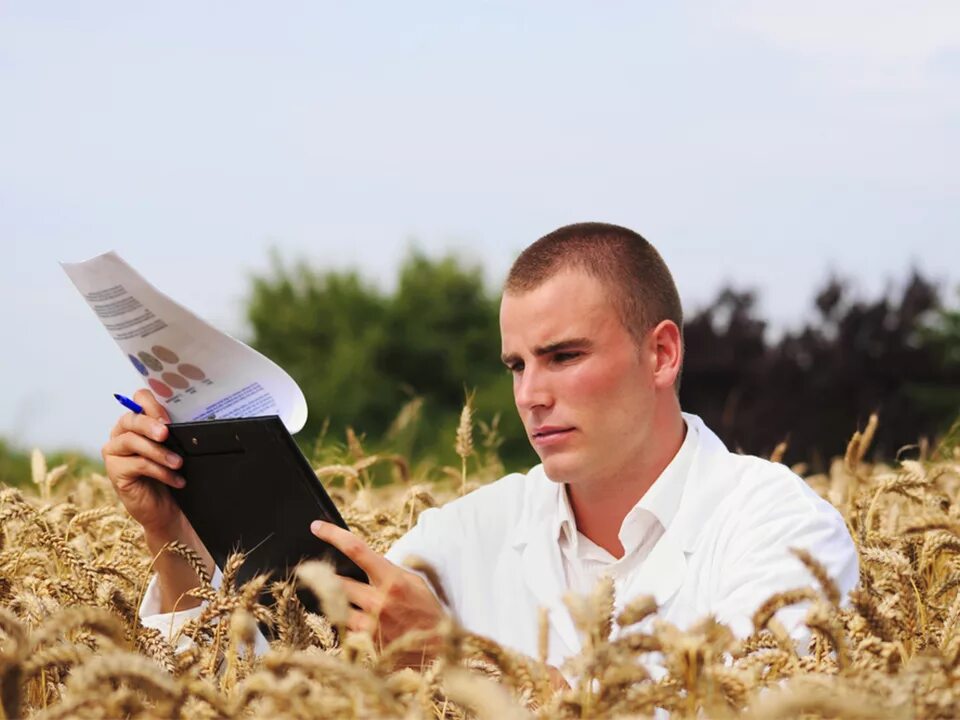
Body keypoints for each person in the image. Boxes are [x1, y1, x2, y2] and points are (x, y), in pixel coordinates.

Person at [102, 222, 859, 678]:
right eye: (516, 365)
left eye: (563, 356)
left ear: (661, 355)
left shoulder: (780, 531)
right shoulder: (465, 535)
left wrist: (455, 663)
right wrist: (171, 532)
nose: (530, 393)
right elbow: (273, 688)